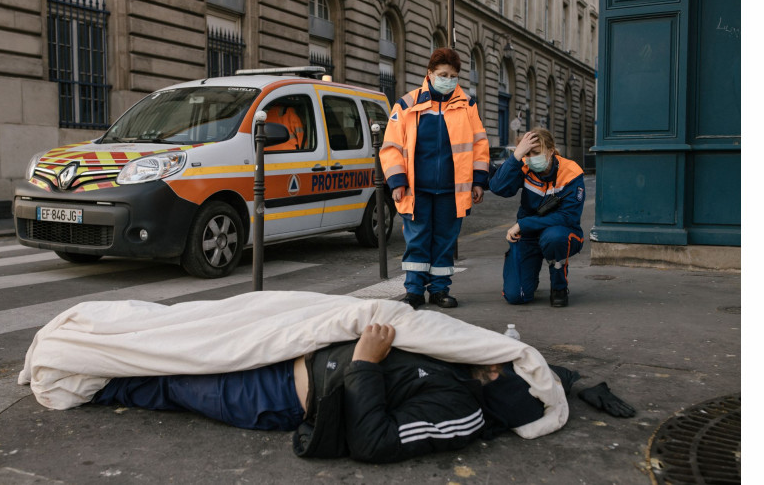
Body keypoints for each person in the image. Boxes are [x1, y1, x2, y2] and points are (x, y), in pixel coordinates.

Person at [91, 324, 634, 463]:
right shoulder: (462, 368)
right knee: (178, 345)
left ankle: (91, 381)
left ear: (497, 380)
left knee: (169, 383)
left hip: (279, 394)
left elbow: (375, 440)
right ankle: (107, 353)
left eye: (504, 363)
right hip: (290, 350)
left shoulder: (460, 412)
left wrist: (365, 364)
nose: (496, 356)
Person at [380, 47, 490, 309]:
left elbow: (479, 145)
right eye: (443, 74)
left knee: (444, 242)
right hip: (417, 190)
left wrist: (478, 181)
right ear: (429, 73)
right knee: (417, 240)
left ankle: (440, 291)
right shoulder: (407, 104)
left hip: (453, 190)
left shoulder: (468, 106)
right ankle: (414, 291)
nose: (448, 79)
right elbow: (391, 147)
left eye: (453, 75)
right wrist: (397, 182)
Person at [488, 127, 585, 307]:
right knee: (515, 296)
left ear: (550, 150)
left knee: (554, 238)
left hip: (562, 232)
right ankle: (530, 278)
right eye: (528, 153)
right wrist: (516, 156)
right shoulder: (524, 165)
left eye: (536, 152)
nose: (532, 158)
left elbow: (567, 217)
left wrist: (522, 224)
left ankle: (559, 287)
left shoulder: (571, 171)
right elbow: (497, 187)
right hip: (529, 235)